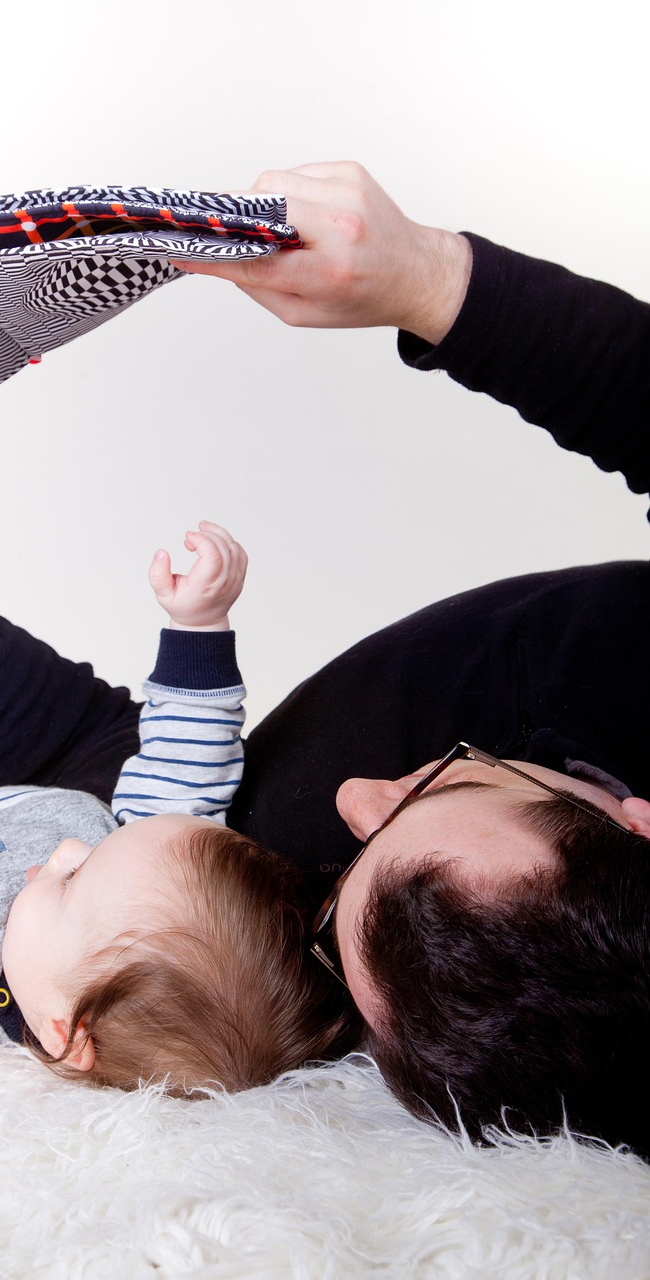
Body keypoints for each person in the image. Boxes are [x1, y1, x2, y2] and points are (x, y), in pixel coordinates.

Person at [174, 161, 650, 1156]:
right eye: (446, 781)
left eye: (335, 908)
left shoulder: (315, 872)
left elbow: (138, 801)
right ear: (635, 820)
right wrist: (427, 280)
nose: (356, 797)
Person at [0, 425, 362, 1093]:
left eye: (71, 881)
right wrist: (200, 626)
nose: (71, 848)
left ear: (66, 1034)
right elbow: (189, 765)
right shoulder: (143, 890)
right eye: (98, 850)